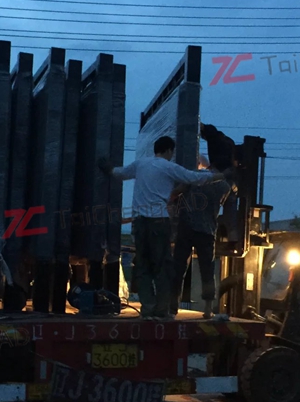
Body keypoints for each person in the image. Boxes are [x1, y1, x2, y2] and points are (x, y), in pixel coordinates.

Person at [99, 136, 229, 320]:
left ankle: (148, 309)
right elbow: (194, 178)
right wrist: (221, 176)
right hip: (160, 222)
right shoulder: (169, 167)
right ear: (168, 150)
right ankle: (162, 311)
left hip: (140, 223)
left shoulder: (140, 164)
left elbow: (120, 173)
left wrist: (108, 169)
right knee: (163, 267)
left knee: (143, 266)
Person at [171, 162, 232, 318]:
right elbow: (221, 202)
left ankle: (173, 305)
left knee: (179, 267)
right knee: (207, 269)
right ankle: (208, 308)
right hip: (207, 231)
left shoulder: (193, 177)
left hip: (186, 228)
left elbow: (177, 192)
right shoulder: (224, 186)